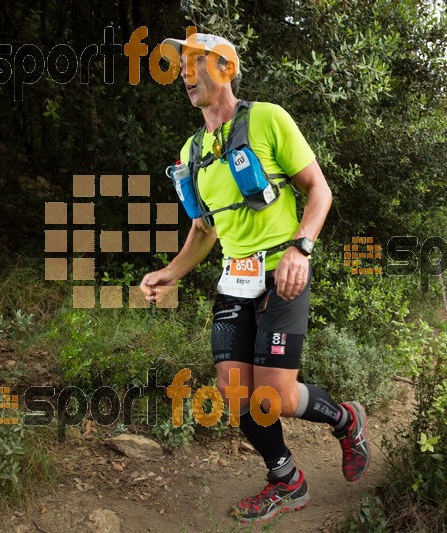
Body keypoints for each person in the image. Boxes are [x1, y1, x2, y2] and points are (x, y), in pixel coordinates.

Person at [140, 31, 369, 524]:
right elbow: (204, 229)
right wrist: (170, 272)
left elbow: (319, 191)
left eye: (194, 62)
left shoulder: (267, 118)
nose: (183, 72)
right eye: (180, 65)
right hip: (233, 281)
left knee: (277, 397)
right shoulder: (193, 150)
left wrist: (300, 248)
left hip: (282, 275)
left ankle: (346, 420)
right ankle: (286, 480)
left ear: (225, 68)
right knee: (235, 392)